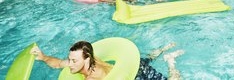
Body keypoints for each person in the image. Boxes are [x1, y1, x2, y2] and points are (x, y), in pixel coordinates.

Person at [30, 41, 183, 80]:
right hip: (128, 64)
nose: (69, 64)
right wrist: (43, 57)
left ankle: (170, 60)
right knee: (148, 58)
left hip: (135, 74)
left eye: (73, 61)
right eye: (70, 59)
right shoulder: (79, 65)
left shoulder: (97, 75)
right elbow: (57, 63)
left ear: (87, 60)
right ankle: (162, 50)